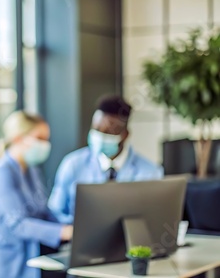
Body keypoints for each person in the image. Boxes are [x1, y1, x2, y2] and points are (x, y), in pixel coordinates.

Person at [0, 111, 73, 278]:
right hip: (6, 264)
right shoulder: (0, 172)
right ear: (18, 138)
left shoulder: (31, 170)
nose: (45, 144)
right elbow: (18, 224)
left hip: (30, 254)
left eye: (46, 139)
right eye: (40, 138)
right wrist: (63, 232)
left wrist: (69, 225)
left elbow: (43, 212)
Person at [48, 95, 164, 224]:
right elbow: (55, 213)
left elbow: (154, 221)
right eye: (96, 129)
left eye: (108, 132)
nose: (100, 136)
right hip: (79, 240)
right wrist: (76, 229)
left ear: (125, 135)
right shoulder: (72, 164)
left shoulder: (150, 173)